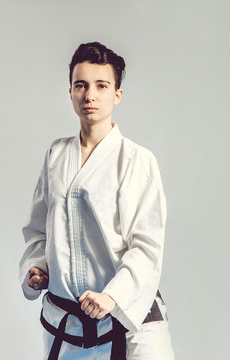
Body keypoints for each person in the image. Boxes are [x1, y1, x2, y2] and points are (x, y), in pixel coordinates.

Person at [19, 41, 175, 360]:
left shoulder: (136, 160)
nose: (90, 95)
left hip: (132, 318)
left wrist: (112, 296)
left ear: (116, 94)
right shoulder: (55, 156)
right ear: (71, 92)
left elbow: (146, 246)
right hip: (71, 324)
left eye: (101, 86)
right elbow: (38, 231)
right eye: (81, 85)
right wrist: (37, 267)